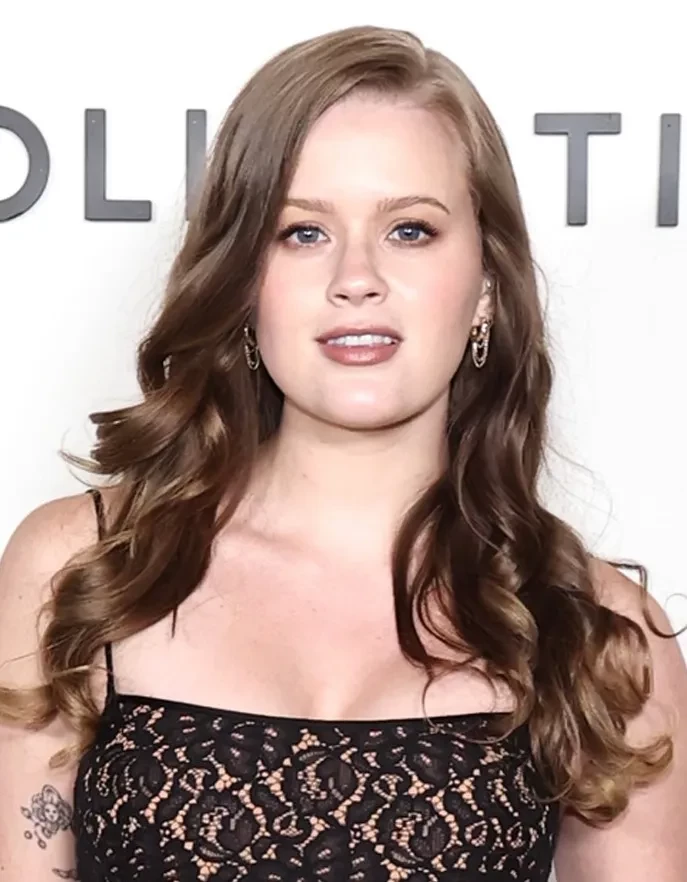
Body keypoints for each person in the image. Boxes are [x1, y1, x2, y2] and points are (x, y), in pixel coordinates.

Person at [1, 24, 686, 882]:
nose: (355, 277)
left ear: (486, 284)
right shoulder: (85, 569)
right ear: (243, 283)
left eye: (410, 230)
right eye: (302, 232)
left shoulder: (597, 632)